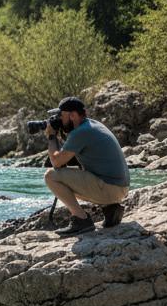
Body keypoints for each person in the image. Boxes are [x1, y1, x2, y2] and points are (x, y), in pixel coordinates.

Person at [43, 96, 130, 236]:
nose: (58, 119)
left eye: (61, 115)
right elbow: (69, 158)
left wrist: (51, 136)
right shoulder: (92, 125)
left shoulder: (81, 132)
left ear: (72, 115)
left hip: (110, 188)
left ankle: (81, 220)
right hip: (120, 187)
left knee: (51, 176)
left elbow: (56, 162)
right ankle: (111, 209)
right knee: (79, 168)